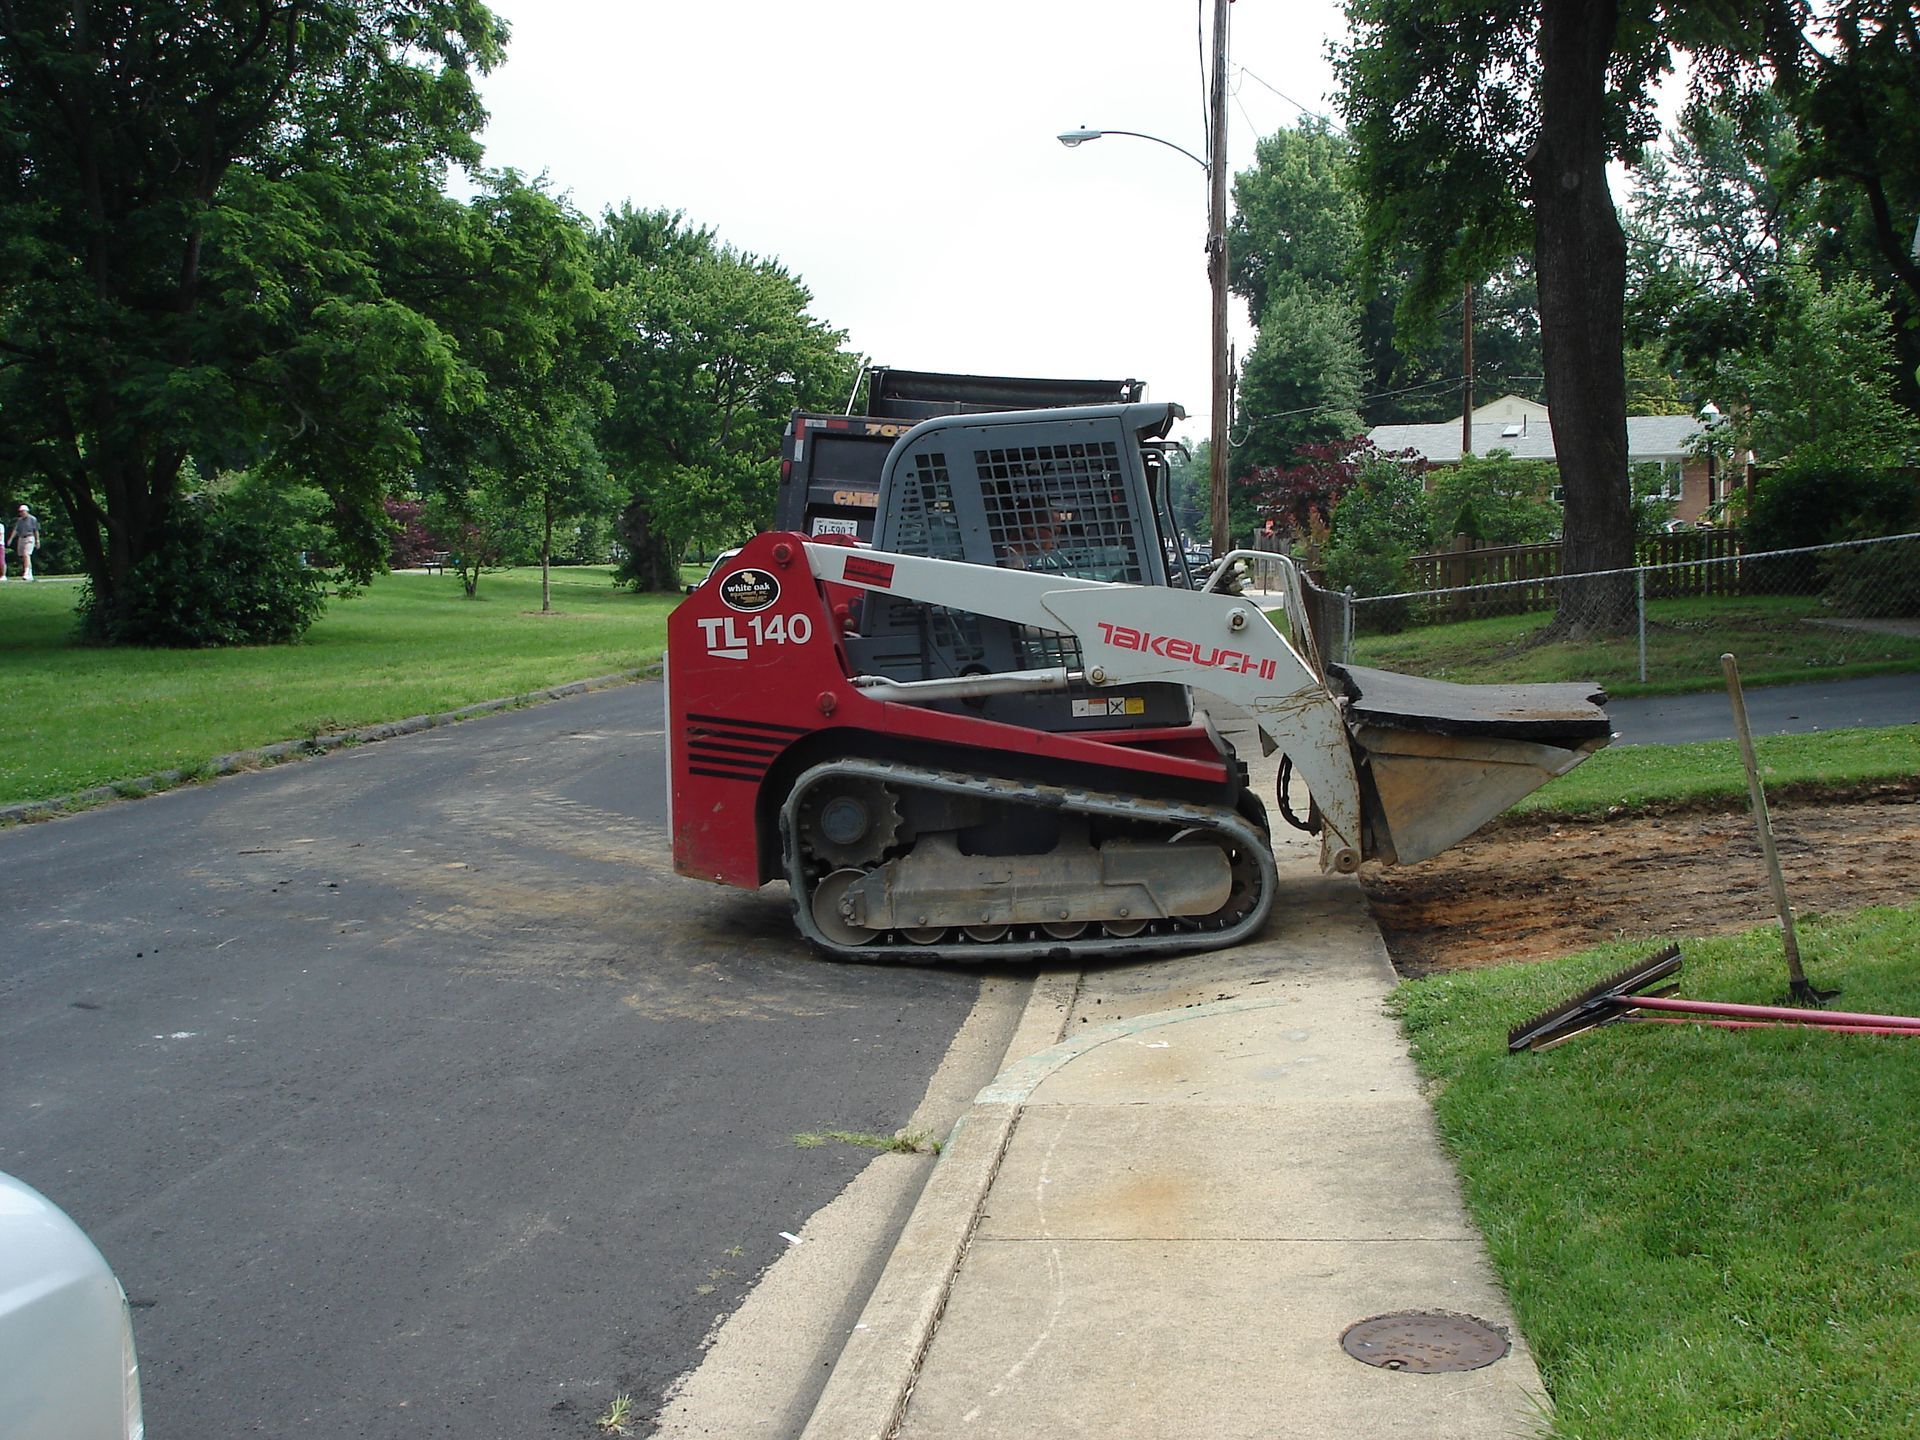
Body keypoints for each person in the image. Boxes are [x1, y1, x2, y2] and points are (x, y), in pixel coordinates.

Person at [12, 505, 38, 581]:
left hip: (30, 537)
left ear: (27, 511)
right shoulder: (19, 521)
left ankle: (26, 572)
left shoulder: (32, 519)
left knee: (26, 554)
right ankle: (29, 573)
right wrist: (11, 539)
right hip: (21, 538)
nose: (21, 513)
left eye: (23, 511)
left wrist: (37, 541)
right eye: (20, 512)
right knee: (24, 556)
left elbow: (36, 530)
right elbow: (16, 530)